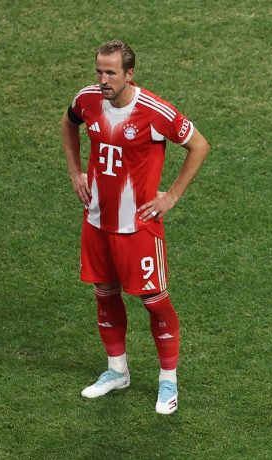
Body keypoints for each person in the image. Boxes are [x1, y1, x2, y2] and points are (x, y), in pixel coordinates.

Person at [60, 40, 210, 415]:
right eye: (99, 71)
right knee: (104, 292)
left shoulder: (154, 112)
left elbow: (199, 146)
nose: (103, 79)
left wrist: (171, 197)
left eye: (110, 72)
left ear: (129, 74)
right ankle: (117, 371)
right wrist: (75, 170)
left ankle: (168, 380)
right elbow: (69, 122)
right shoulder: (88, 99)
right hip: (96, 220)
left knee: (154, 301)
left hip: (138, 226)